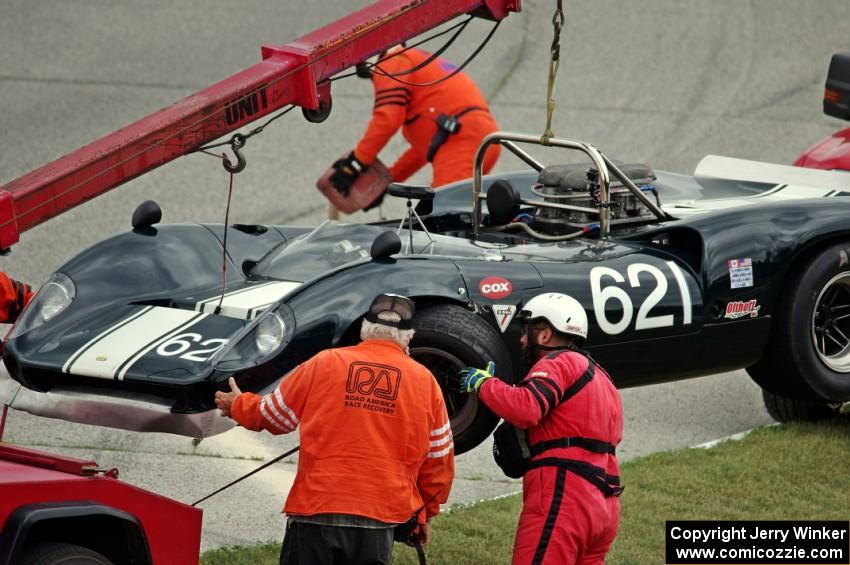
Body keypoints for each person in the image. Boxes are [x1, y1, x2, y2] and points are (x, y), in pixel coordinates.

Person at [215, 293, 454, 565]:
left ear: (364, 329)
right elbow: (439, 460)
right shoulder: (425, 382)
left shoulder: (325, 362)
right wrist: (424, 514)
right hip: (380, 517)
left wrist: (238, 405)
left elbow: (275, 416)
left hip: (317, 507)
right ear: (408, 337)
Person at [457, 293, 623, 565]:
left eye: (526, 331)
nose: (522, 340)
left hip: (567, 494)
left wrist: (484, 384)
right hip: (605, 504)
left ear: (544, 334)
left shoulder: (559, 363)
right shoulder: (602, 377)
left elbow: (526, 408)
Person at [329, 46, 501, 199]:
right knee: (455, 213)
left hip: (462, 143)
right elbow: (423, 150)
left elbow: (388, 119)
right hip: (478, 140)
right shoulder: (417, 61)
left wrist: (355, 163)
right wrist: (388, 182)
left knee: (443, 214)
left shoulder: (392, 62)